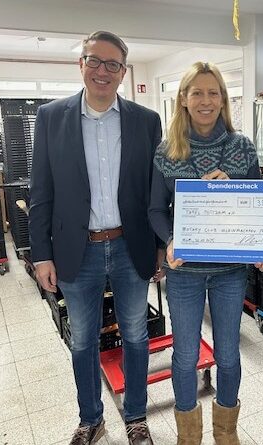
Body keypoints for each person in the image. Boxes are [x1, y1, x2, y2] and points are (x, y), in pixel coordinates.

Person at [29, 31, 162, 445]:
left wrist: (161, 245)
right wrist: (41, 255)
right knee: (83, 339)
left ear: (123, 71)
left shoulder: (146, 121)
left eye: (112, 64)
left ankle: (136, 416)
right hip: (76, 249)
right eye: (94, 61)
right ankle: (91, 419)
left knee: (136, 334)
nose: (102, 71)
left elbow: (155, 191)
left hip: (130, 246)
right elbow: (41, 192)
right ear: (81, 64)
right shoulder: (52, 117)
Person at [149, 61, 263, 445]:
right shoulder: (168, 150)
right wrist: (170, 240)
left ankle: (226, 433)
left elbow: (258, 207)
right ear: (183, 99)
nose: (205, 100)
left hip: (230, 271)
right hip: (184, 271)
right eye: (197, 93)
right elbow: (155, 209)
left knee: (229, 354)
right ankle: (189, 437)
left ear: (223, 99)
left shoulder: (242, 147)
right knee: (185, 356)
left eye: (213, 92)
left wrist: (233, 185)